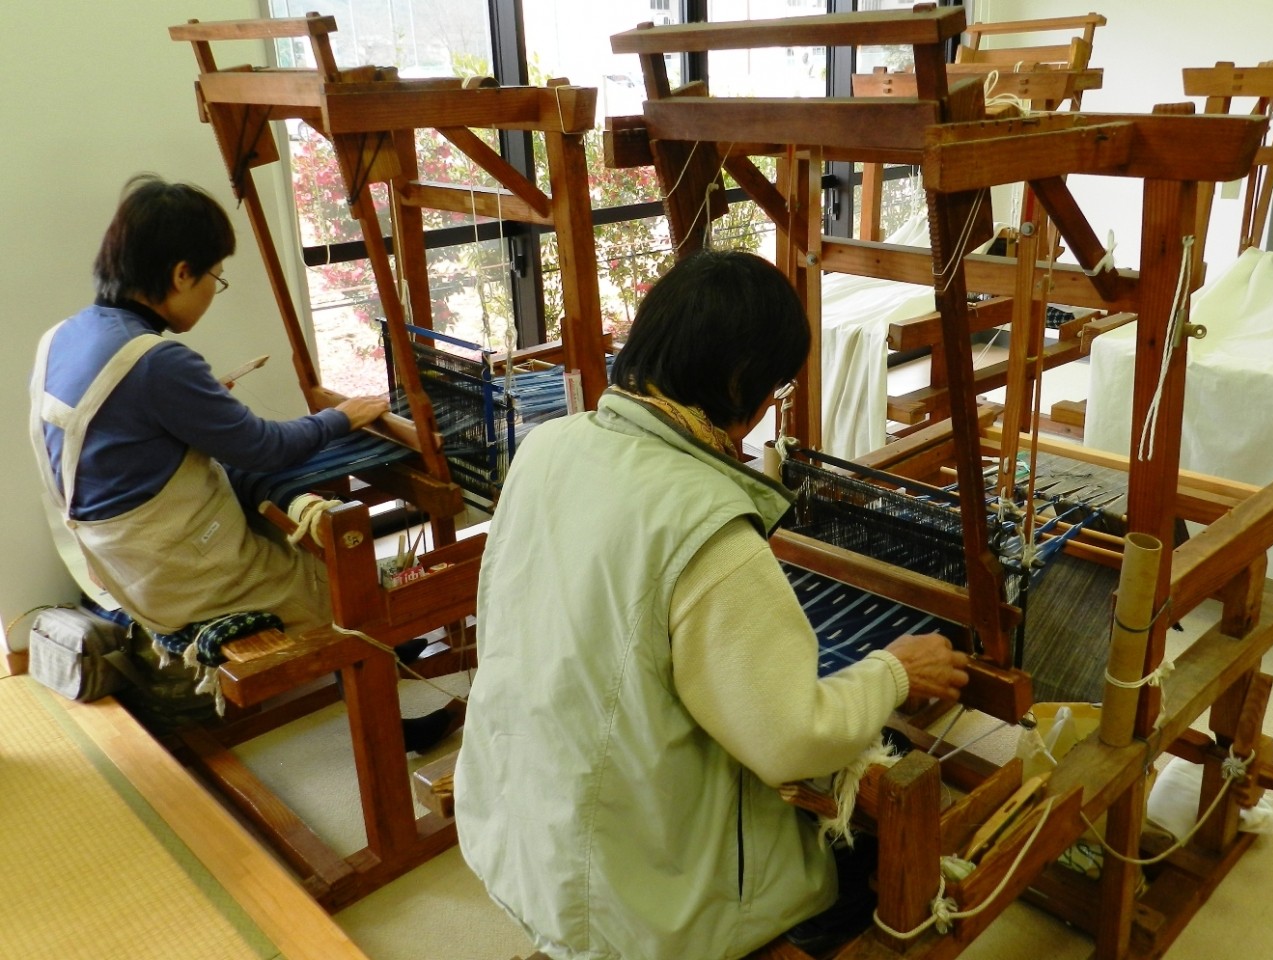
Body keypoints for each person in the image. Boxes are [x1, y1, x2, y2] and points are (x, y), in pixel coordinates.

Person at [454, 249, 970, 960]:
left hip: (520, 833)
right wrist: (894, 671)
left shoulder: (548, 446)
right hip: (641, 903)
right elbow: (791, 742)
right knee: (861, 865)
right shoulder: (707, 527)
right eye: (775, 387)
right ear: (739, 384)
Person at [29, 173, 452, 751]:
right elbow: (265, 449)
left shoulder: (67, 335)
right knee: (348, 591)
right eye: (214, 277)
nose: (212, 290)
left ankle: (389, 655)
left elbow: (127, 434)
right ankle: (390, 730)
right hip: (175, 574)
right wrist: (344, 416)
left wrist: (198, 409)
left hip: (113, 560)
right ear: (180, 273)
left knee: (297, 549)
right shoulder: (157, 363)